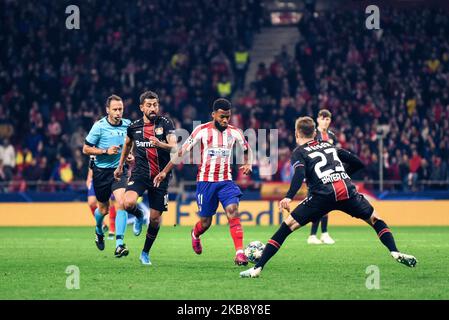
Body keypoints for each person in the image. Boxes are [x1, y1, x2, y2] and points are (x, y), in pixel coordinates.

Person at [240, 116, 417, 278]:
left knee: (286, 227)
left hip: (321, 195)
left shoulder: (299, 152)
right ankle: (394, 251)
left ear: (296, 133)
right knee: (376, 219)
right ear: (315, 133)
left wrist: (288, 196)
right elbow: (358, 162)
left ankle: (257, 268)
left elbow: (299, 173)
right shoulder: (329, 145)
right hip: (346, 191)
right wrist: (341, 175)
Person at [154, 98, 253, 266]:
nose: (225, 120)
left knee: (232, 210)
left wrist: (248, 162)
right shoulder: (201, 131)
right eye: (222, 116)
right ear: (213, 114)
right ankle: (195, 234)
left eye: (228, 117)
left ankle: (240, 253)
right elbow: (181, 153)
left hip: (225, 181)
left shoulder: (235, 132)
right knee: (206, 222)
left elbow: (246, 148)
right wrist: (164, 172)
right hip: (205, 183)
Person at [114, 90, 177, 265]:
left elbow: (175, 148)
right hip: (140, 173)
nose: (153, 108)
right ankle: (140, 215)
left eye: (155, 105)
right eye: (149, 105)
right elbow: (127, 145)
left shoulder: (165, 123)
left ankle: (145, 253)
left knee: (156, 219)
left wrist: (160, 144)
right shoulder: (133, 127)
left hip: (161, 176)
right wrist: (120, 166)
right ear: (142, 107)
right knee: (127, 203)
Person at [83, 94, 144, 258]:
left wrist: (130, 155)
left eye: (121, 109)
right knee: (102, 209)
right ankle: (98, 229)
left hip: (119, 171)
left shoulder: (128, 125)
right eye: (115, 109)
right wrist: (105, 151)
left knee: (122, 203)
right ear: (107, 110)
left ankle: (119, 244)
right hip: (101, 172)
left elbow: (132, 144)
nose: (118, 112)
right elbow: (86, 149)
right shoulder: (99, 127)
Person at [308, 109, 337, 245]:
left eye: (327, 119)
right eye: (323, 119)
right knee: (317, 204)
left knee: (327, 204)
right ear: (318, 119)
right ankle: (312, 235)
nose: (325, 121)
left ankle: (324, 233)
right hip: (315, 175)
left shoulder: (331, 135)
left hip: (328, 174)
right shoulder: (313, 134)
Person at [86, 158, 116, 240]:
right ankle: (103, 224)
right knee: (91, 202)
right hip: (95, 178)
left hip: (107, 176)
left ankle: (112, 229)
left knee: (110, 203)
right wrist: (89, 177)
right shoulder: (93, 147)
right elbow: (91, 162)